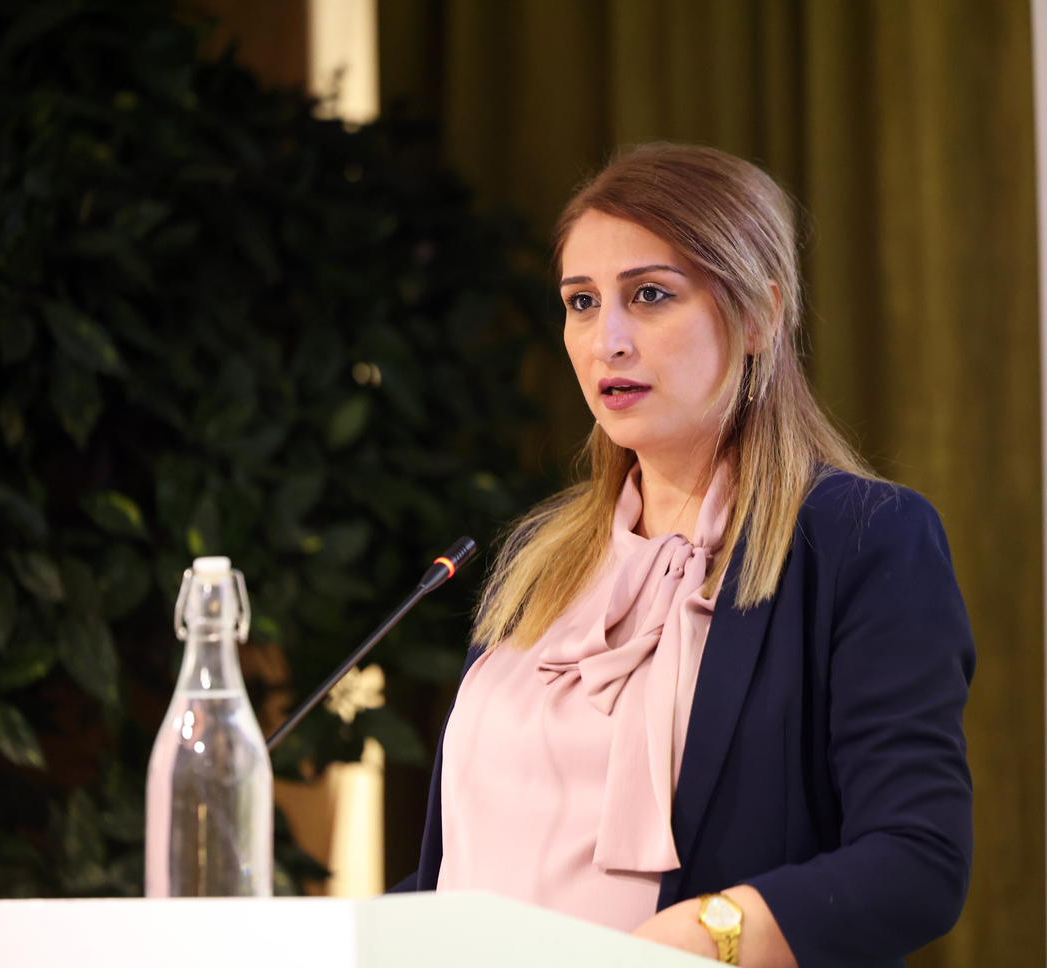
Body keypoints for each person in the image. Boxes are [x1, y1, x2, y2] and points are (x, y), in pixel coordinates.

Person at [396, 144, 975, 968]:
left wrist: (712, 935)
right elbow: (461, 869)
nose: (608, 340)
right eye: (582, 302)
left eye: (651, 295)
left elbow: (917, 861)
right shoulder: (538, 561)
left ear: (759, 316)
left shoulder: (859, 540)